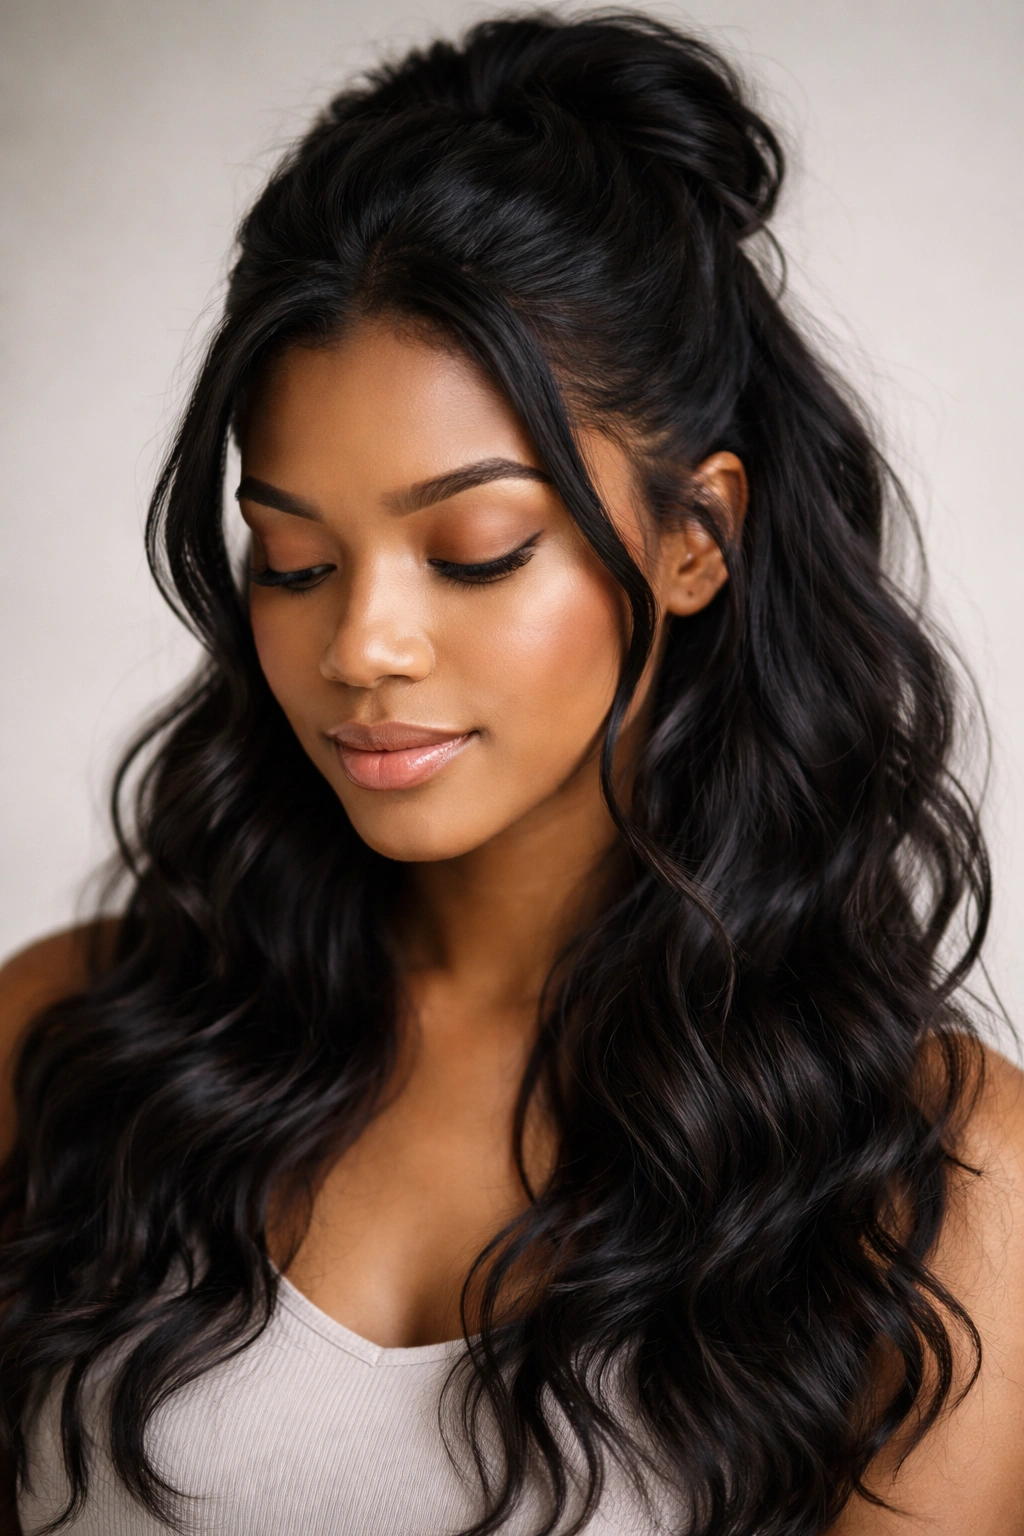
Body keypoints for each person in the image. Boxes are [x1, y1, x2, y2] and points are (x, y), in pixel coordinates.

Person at [2, 12, 1023, 1535]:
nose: (364, 646)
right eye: (291, 560)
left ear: (698, 539)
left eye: (476, 552)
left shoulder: (939, 1183)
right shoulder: (63, 1044)